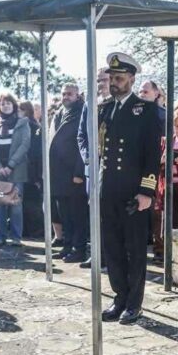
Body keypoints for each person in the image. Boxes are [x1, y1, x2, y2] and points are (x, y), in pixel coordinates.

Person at [97, 52, 163, 325]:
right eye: (112, 77)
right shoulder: (105, 109)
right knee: (112, 247)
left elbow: (152, 155)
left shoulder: (145, 110)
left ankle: (134, 303)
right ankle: (119, 297)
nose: (114, 82)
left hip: (134, 191)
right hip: (109, 189)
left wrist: (146, 192)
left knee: (134, 250)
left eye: (120, 78)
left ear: (132, 79)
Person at [76, 67, 112, 269]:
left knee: (110, 213)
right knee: (94, 213)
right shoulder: (90, 104)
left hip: (113, 167)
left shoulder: (117, 103)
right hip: (93, 167)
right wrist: (87, 157)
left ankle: (111, 256)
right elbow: (81, 134)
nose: (101, 84)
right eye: (98, 80)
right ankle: (96, 255)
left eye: (104, 79)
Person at [49, 84, 88, 263]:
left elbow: (83, 142)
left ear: (77, 95)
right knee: (64, 213)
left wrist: (79, 171)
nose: (66, 97)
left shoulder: (81, 112)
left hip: (73, 173)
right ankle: (67, 246)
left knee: (77, 215)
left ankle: (79, 249)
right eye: (63, 94)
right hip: (59, 174)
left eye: (70, 94)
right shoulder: (59, 113)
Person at [0, 92, 31, 248]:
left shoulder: (22, 123)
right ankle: (0, 236)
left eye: (8, 103)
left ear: (13, 105)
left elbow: (25, 145)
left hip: (16, 170)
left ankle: (16, 237)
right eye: (2, 103)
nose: (5, 106)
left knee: (15, 205)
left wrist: (11, 165)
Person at [18, 100, 45, 240]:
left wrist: (36, 176)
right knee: (25, 201)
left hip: (31, 169)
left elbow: (36, 152)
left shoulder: (33, 127)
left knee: (32, 202)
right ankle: (27, 230)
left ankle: (36, 231)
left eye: (20, 109)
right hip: (25, 169)